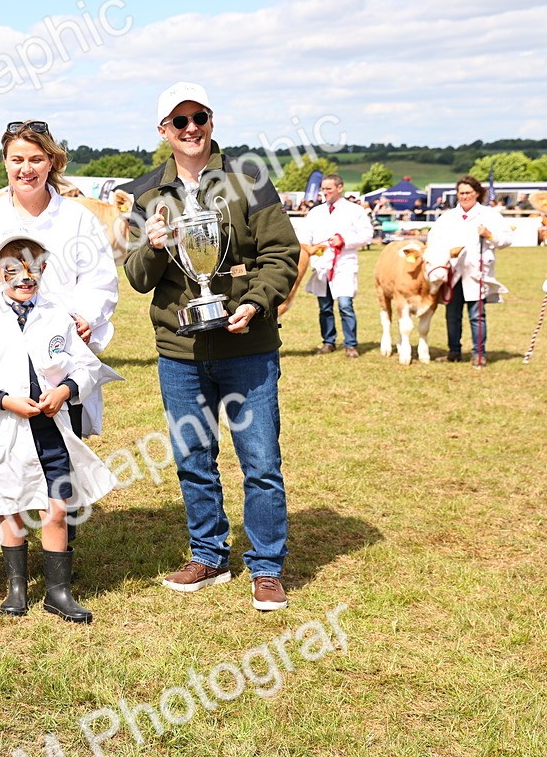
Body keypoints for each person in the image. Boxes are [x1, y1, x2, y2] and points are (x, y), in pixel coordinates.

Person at [123, 81, 300, 612]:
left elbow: (281, 254)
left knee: (261, 462)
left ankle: (265, 566)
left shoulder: (250, 179)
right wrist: (153, 246)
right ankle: (208, 555)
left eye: (198, 117)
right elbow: (137, 276)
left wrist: (257, 303)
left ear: (211, 121)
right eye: (179, 121)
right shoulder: (145, 194)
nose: (191, 128)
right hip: (181, 351)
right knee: (193, 458)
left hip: (248, 346)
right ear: (164, 131)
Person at [0, 119, 119, 590]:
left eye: (36, 159)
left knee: (56, 450)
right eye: (17, 159)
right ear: (5, 162)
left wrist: (83, 317)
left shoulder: (77, 219)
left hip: (54, 354)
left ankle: (60, 553)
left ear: (52, 162)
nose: (27, 168)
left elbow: (100, 279)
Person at [0, 233, 117, 623]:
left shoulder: (57, 317)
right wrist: (4, 400)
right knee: (10, 507)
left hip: (51, 431)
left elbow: (87, 366)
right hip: (7, 431)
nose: (24, 277)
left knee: (56, 509)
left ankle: (57, 592)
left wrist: (65, 390)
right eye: (13, 270)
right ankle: (16, 589)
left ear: (44, 270)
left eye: (33, 269)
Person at [428, 175, 513, 367]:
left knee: (477, 315)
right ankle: (454, 352)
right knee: (452, 315)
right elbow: (434, 239)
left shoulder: (489, 215)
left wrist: (489, 235)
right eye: (461, 193)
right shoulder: (448, 217)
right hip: (452, 272)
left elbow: (507, 239)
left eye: (468, 193)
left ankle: (479, 354)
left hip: (477, 272)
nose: (464, 196)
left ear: (477, 193)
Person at [302, 174, 374, 358]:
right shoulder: (315, 212)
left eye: (329, 189)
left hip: (344, 264)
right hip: (321, 265)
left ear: (339, 188)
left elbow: (367, 235)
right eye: (323, 189)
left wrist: (345, 241)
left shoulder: (355, 210)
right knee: (325, 307)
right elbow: (305, 235)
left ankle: (350, 344)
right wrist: (309, 247)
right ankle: (328, 342)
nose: (325, 192)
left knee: (345, 305)